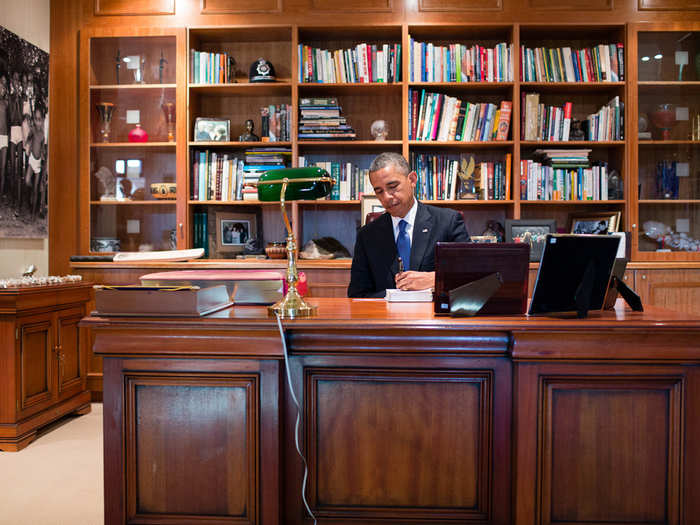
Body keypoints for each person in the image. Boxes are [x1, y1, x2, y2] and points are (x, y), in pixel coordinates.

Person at [348, 152, 470, 298]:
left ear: (412, 179)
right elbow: (357, 295)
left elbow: (473, 275)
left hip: (433, 317)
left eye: (392, 186)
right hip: (387, 316)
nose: (386, 197)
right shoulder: (367, 235)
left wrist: (435, 279)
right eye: (379, 192)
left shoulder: (447, 221)